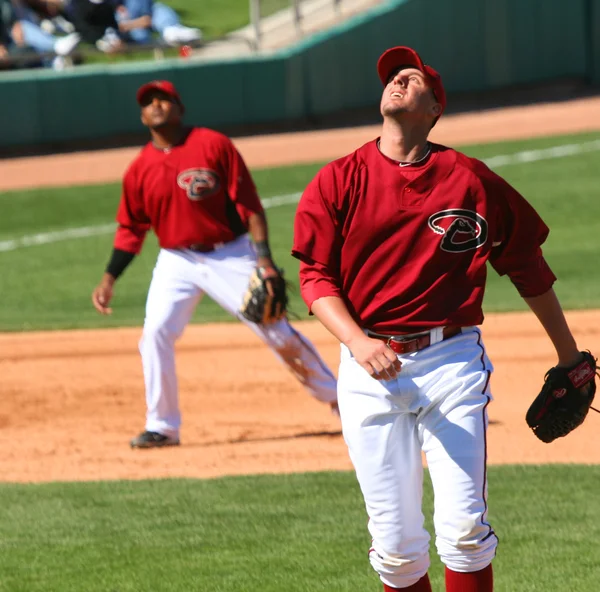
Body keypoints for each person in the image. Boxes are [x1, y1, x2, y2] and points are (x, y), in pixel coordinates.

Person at [292, 46, 590, 591]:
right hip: (367, 372)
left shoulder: (470, 180)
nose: (398, 82)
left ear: (435, 108)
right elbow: (315, 277)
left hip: (450, 361)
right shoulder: (339, 179)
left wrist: (569, 354)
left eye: (413, 78)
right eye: (392, 77)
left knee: (464, 532)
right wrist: (357, 342)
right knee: (396, 548)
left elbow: (527, 265)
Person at [92, 80, 339, 449]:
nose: (156, 105)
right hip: (176, 259)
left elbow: (250, 206)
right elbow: (131, 229)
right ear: (142, 116)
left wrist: (265, 261)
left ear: (180, 107)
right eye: (148, 102)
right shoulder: (139, 169)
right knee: (155, 333)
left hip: (230, 252)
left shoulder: (212, 145)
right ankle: (162, 426)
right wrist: (110, 277)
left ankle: (340, 400)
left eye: (164, 99)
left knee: (277, 333)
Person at [115, 0, 201, 47]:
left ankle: (171, 31)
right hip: (129, 37)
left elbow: (146, 20)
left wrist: (126, 26)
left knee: (159, 9)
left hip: (139, 28)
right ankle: (167, 37)